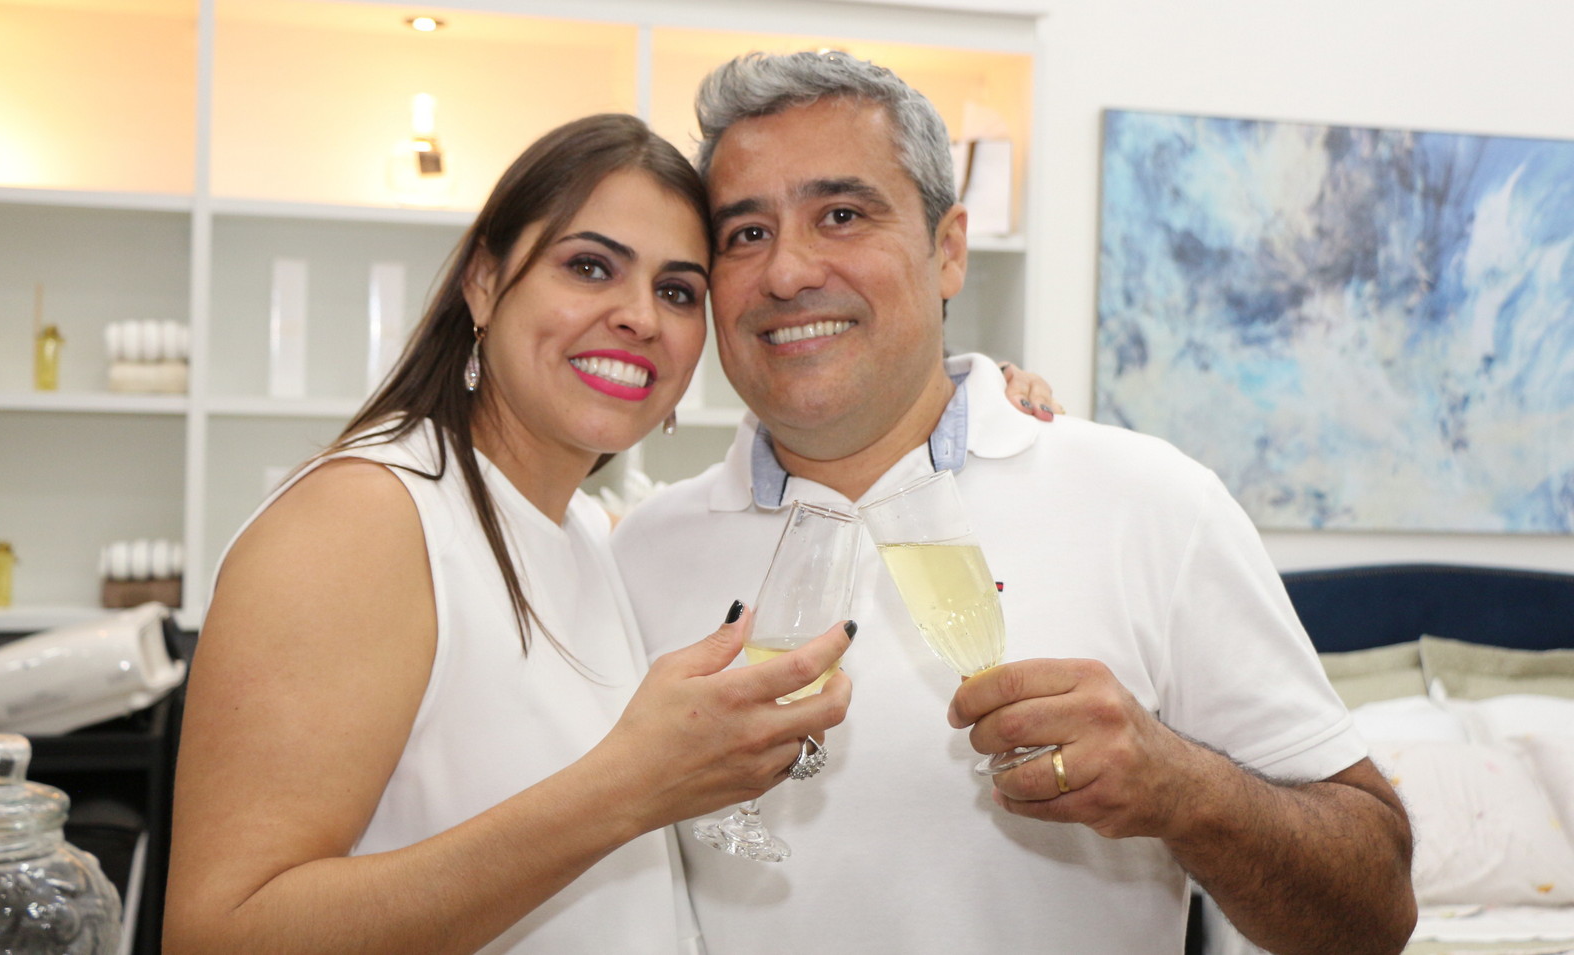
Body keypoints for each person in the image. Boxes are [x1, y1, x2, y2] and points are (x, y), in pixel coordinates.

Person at [612, 52, 1418, 955]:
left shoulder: (1152, 503)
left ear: (949, 249)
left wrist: (1182, 788)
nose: (788, 270)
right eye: (746, 232)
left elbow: (1376, 913)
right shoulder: (639, 553)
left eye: (841, 214)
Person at [163, 114, 860, 955]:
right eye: (590, 266)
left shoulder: (587, 532)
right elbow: (222, 933)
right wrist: (629, 787)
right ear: (485, 282)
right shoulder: (364, 519)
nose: (639, 316)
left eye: (678, 291)